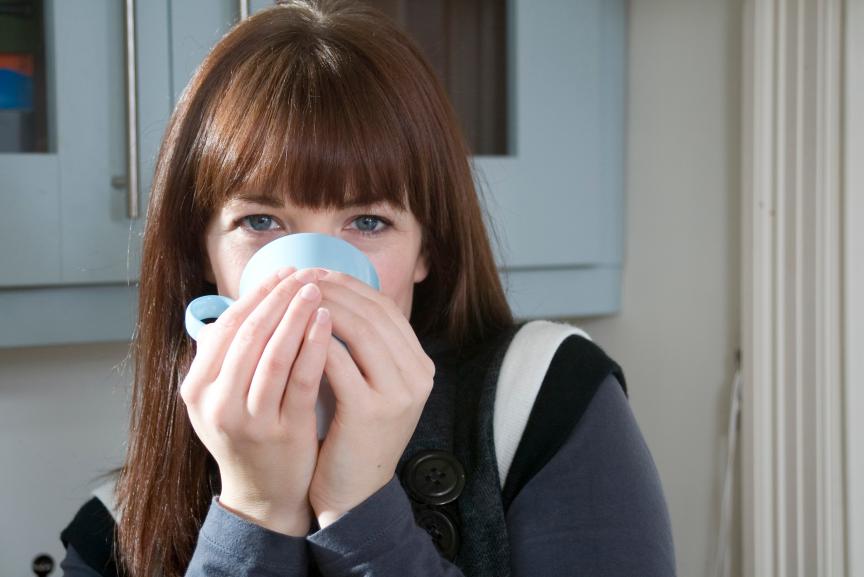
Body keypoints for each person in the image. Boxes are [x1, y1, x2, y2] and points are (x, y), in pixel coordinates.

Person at [59, 1, 676, 576]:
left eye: (368, 222)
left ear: (425, 249)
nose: (311, 276)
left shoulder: (545, 399)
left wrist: (362, 509)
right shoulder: (116, 524)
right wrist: (252, 509)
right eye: (261, 222)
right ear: (203, 251)